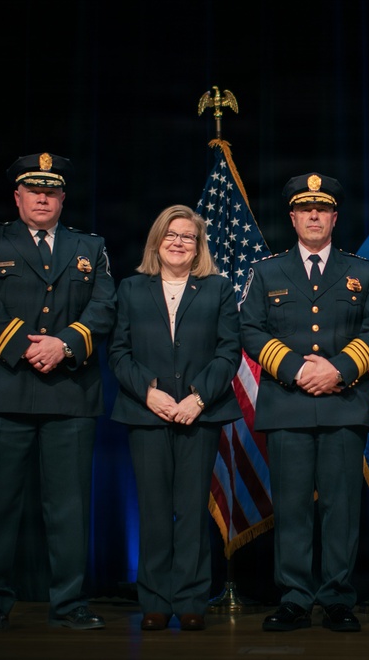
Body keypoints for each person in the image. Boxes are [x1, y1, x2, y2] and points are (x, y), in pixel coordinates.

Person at [0, 152, 116, 631]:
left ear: (63, 197)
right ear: (18, 196)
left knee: (69, 506)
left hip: (68, 389)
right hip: (1, 388)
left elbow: (105, 306)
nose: (43, 197)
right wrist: (26, 349)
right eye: (34, 190)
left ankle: (70, 604)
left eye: (52, 191)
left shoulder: (92, 246)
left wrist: (64, 344)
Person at [240, 173, 369, 633]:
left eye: (322, 209)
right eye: (306, 209)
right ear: (293, 217)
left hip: (344, 403)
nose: (314, 216)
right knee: (291, 507)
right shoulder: (266, 272)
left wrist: (338, 370)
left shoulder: (362, 271)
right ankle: (295, 598)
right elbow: (250, 329)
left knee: (341, 508)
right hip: (288, 403)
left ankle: (338, 598)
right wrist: (297, 369)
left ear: (334, 217)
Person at [108, 205, 242, 632]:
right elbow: (118, 352)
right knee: (152, 511)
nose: (179, 242)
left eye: (188, 236)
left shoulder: (217, 289)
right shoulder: (130, 288)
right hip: (147, 413)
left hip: (199, 415)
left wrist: (197, 399)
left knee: (189, 511)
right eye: (172, 235)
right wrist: (149, 393)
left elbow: (228, 352)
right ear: (157, 241)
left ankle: (190, 601)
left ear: (198, 246)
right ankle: (154, 601)